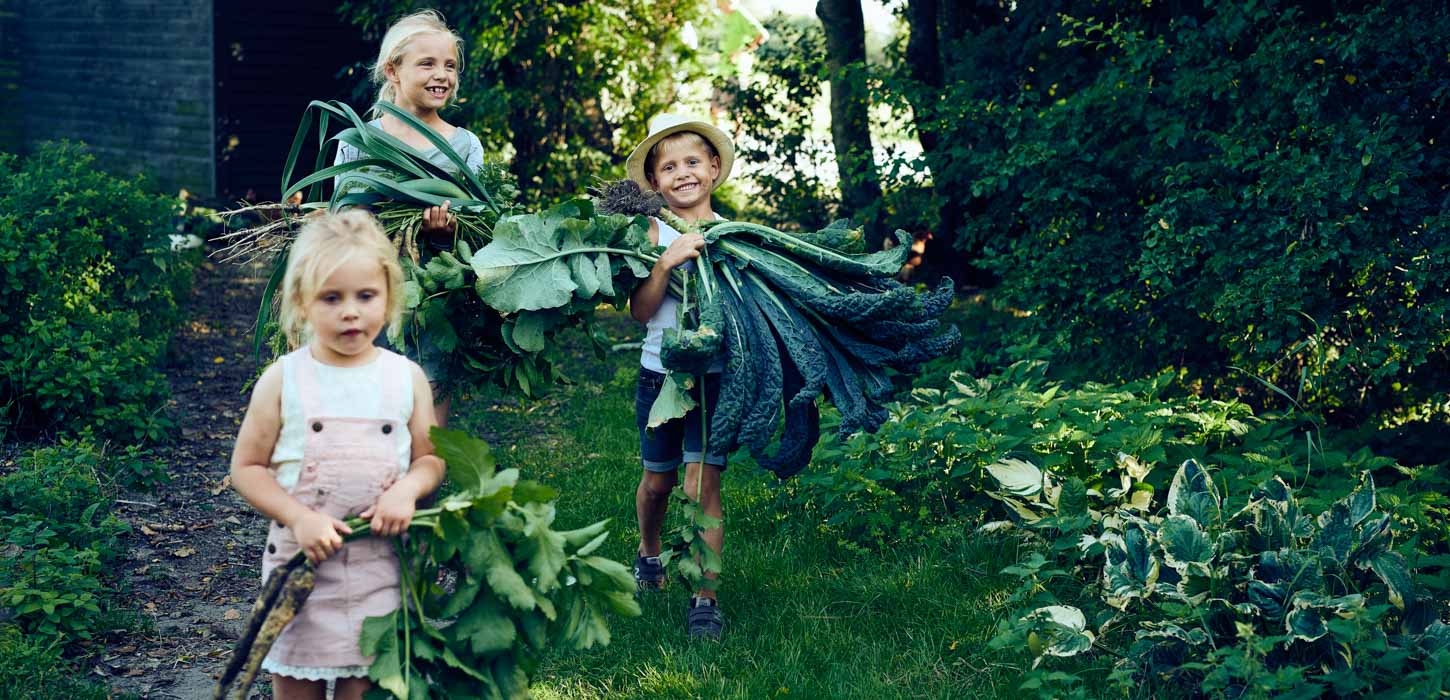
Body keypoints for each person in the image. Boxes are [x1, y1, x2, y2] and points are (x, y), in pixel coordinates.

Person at [230, 210, 444, 699]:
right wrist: (298, 516)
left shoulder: (405, 378)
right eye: (332, 298)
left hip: (380, 570)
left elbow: (431, 458)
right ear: (302, 302)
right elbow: (245, 468)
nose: (351, 311)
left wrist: (408, 490)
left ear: (388, 296)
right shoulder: (284, 380)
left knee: (363, 689)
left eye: (365, 296)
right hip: (301, 575)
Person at [334, 9, 485, 427]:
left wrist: (450, 230)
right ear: (393, 71)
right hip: (369, 297)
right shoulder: (360, 143)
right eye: (428, 63)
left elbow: (481, 227)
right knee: (368, 412)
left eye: (450, 65)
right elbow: (342, 222)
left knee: (428, 414)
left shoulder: (466, 147)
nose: (443, 75)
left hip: (436, 300)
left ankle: (421, 490)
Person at [624, 113, 737, 640]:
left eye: (693, 162)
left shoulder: (735, 237)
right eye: (668, 167)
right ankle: (649, 553)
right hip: (658, 377)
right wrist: (665, 263)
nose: (682, 173)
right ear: (654, 182)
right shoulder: (649, 234)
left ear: (713, 168)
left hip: (713, 377)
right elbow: (641, 312)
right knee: (659, 483)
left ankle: (705, 598)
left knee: (701, 484)